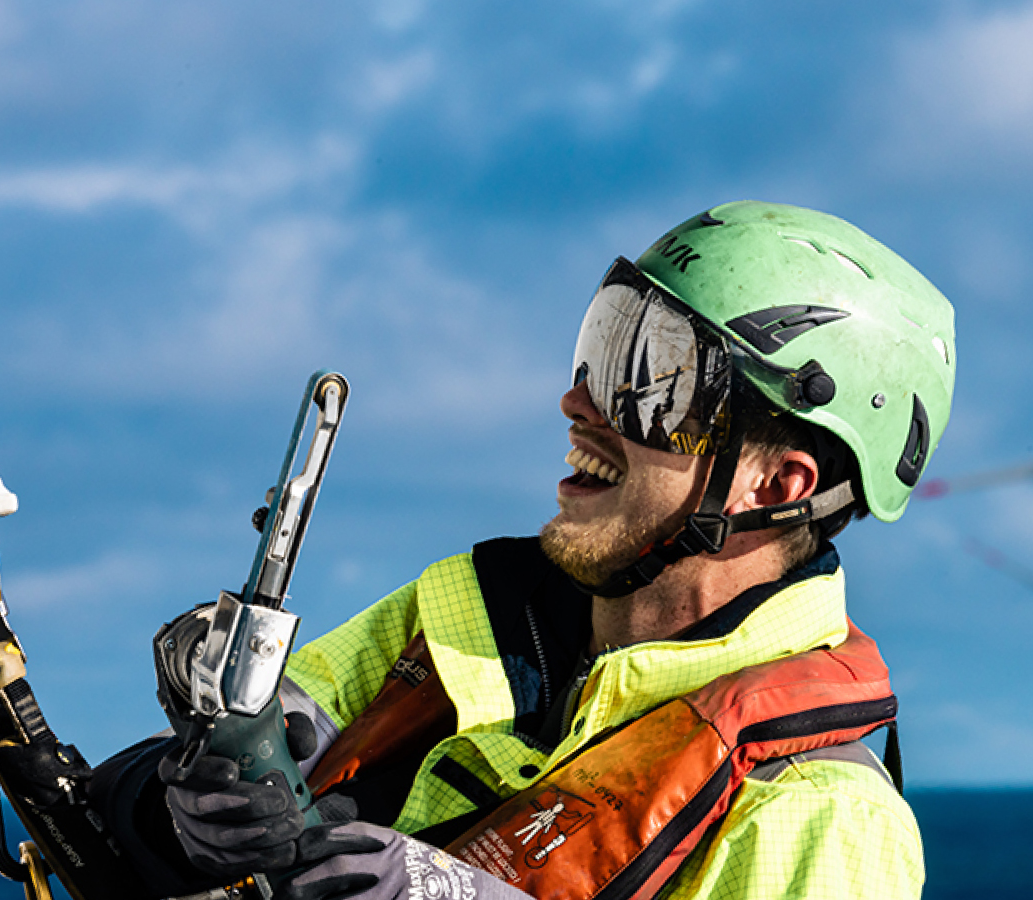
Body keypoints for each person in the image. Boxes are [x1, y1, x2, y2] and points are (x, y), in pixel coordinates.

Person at [98, 200, 955, 900]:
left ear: (773, 486)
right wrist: (188, 809)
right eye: (604, 349)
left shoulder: (824, 819)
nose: (580, 404)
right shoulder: (471, 620)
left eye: (654, 383)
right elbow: (113, 823)